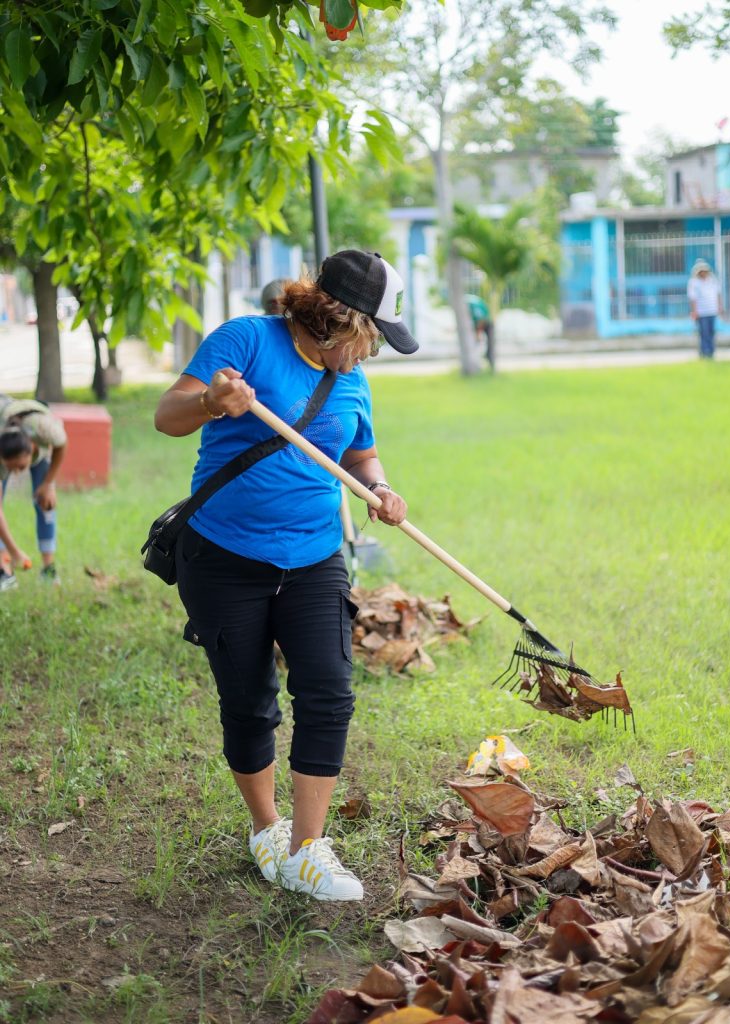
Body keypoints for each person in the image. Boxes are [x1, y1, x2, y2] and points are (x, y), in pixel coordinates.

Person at [154, 250, 418, 902]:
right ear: (335, 318)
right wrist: (214, 401)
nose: (373, 352)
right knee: (248, 701)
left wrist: (378, 489)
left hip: (315, 555)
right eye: (370, 336)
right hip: (223, 557)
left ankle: (306, 849)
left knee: (328, 689)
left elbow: (362, 452)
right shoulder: (247, 340)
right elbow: (167, 416)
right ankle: (267, 829)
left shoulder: (351, 378)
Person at [0, 399, 67, 592]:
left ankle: (48, 569)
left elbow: (63, 444)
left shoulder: (44, 429)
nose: (18, 473)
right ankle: (3, 570)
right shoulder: (3, 455)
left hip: (39, 441)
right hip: (8, 438)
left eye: (20, 467)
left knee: (46, 503)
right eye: (11, 469)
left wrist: (48, 484)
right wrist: (15, 552)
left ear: (32, 446)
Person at [687, 259, 723, 359]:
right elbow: (692, 298)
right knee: (704, 333)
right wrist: (694, 311)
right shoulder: (693, 282)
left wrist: (720, 306)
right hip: (701, 312)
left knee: (711, 332)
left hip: (712, 310)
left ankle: (711, 352)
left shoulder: (713, 280)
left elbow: (718, 294)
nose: (703, 273)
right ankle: (704, 352)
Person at [465, 292, 494, 371]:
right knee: (474, 345)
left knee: (490, 346)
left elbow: (481, 320)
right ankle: (476, 364)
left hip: (486, 323)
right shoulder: (467, 303)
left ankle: (491, 363)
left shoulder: (471, 304)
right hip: (477, 325)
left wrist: (478, 333)